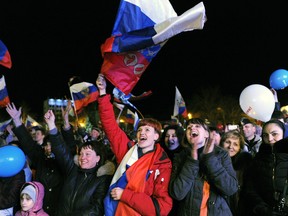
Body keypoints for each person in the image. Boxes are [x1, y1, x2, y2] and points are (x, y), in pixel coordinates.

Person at [96, 74, 173, 216]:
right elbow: (110, 126)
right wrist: (102, 93)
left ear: (156, 136)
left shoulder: (162, 164)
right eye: (140, 130)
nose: (141, 133)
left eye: (147, 130)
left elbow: (161, 207)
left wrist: (125, 195)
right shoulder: (126, 149)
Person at [44, 109, 113, 216]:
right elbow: (61, 151)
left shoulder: (102, 179)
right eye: (81, 153)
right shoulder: (72, 169)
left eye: (88, 154)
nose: (82, 157)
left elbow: (96, 208)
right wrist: (52, 125)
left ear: (98, 158)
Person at [168, 117, 238, 216]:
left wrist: (210, 159)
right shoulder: (180, 157)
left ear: (206, 134)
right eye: (189, 127)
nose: (192, 128)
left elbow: (230, 189)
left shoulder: (221, 154)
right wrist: (192, 161)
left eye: (197, 126)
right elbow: (177, 194)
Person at [6, 103, 64, 216]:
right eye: (47, 145)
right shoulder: (41, 159)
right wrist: (17, 121)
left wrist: (53, 125)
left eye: (52, 145)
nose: (48, 148)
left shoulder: (65, 164)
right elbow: (29, 144)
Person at [242, 119, 288, 215]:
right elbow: (250, 188)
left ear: (284, 134)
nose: (270, 139)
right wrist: (263, 209)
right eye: (265, 135)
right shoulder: (258, 160)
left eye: (274, 134)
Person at [219, 129, 252, 216]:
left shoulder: (244, 164)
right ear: (221, 143)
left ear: (240, 148)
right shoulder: (214, 161)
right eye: (227, 142)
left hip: (237, 207)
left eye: (235, 144)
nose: (230, 146)